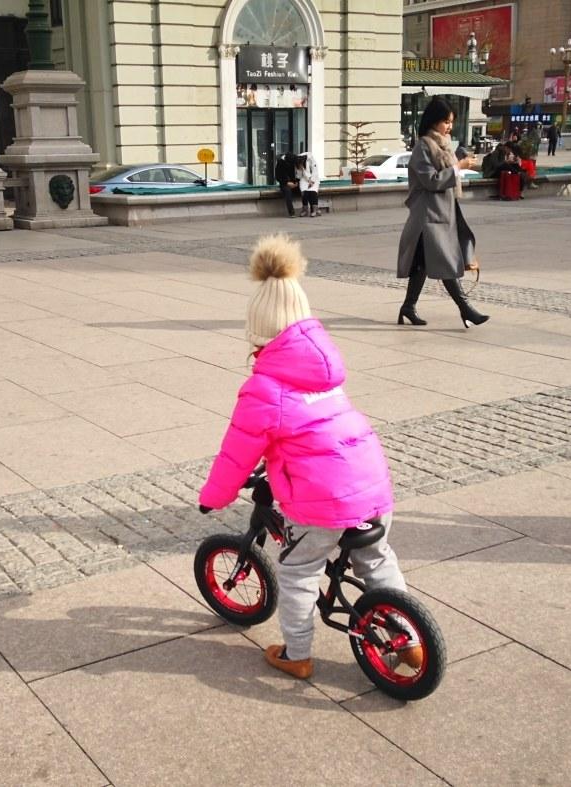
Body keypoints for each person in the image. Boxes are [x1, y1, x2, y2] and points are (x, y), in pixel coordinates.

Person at [198, 234, 418, 679]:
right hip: (372, 485)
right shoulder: (323, 368)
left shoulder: (264, 387)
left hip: (322, 503)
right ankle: (408, 639)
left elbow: (236, 454)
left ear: (257, 333)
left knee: (298, 571)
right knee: (377, 559)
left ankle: (296, 655)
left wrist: (214, 497)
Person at [396, 96, 489, 328]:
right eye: (446, 121)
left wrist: (458, 165)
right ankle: (466, 309)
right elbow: (431, 180)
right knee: (445, 261)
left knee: (422, 265)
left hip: (440, 214)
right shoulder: (423, 147)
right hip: (427, 217)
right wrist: (458, 167)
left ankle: (408, 307)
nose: (449, 126)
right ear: (434, 121)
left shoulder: (443, 146)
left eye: (451, 122)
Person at [274, 152, 299, 218]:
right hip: (284, 184)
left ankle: (310, 208)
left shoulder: (293, 162)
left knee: (306, 189)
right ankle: (291, 212)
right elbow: (278, 177)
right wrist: (287, 183)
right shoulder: (280, 163)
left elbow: (296, 174)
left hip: (293, 182)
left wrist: (296, 183)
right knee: (288, 192)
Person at [295, 152, 320, 217]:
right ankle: (305, 210)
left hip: (313, 179)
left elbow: (315, 172)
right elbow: (299, 176)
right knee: (304, 193)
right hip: (304, 180)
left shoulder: (312, 161)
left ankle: (315, 210)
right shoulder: (298, 163)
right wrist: (300, 169)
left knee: (312, 192)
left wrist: (312, 181)